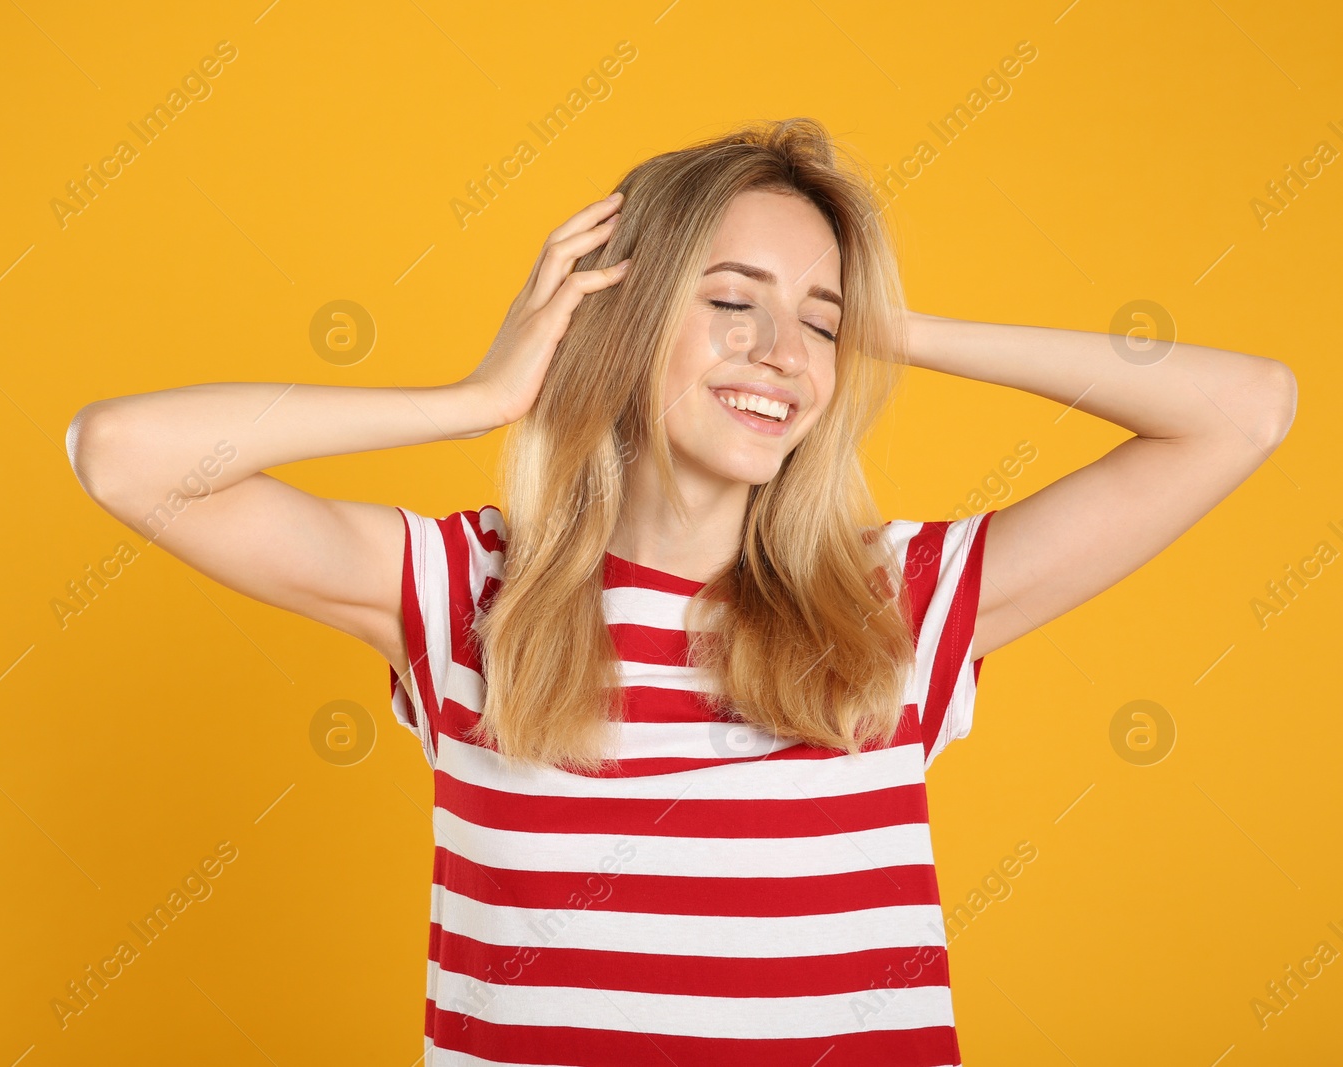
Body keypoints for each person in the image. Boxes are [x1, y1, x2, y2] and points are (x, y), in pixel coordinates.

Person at [65, 118, 1297, 1065]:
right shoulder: (462, 589)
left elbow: (1246, 410)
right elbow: (121, 454)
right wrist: (478, 400)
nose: (782, 354)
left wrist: (895, 324)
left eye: (818, 322)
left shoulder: (897, 605)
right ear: (620, 315)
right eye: (730, 303)